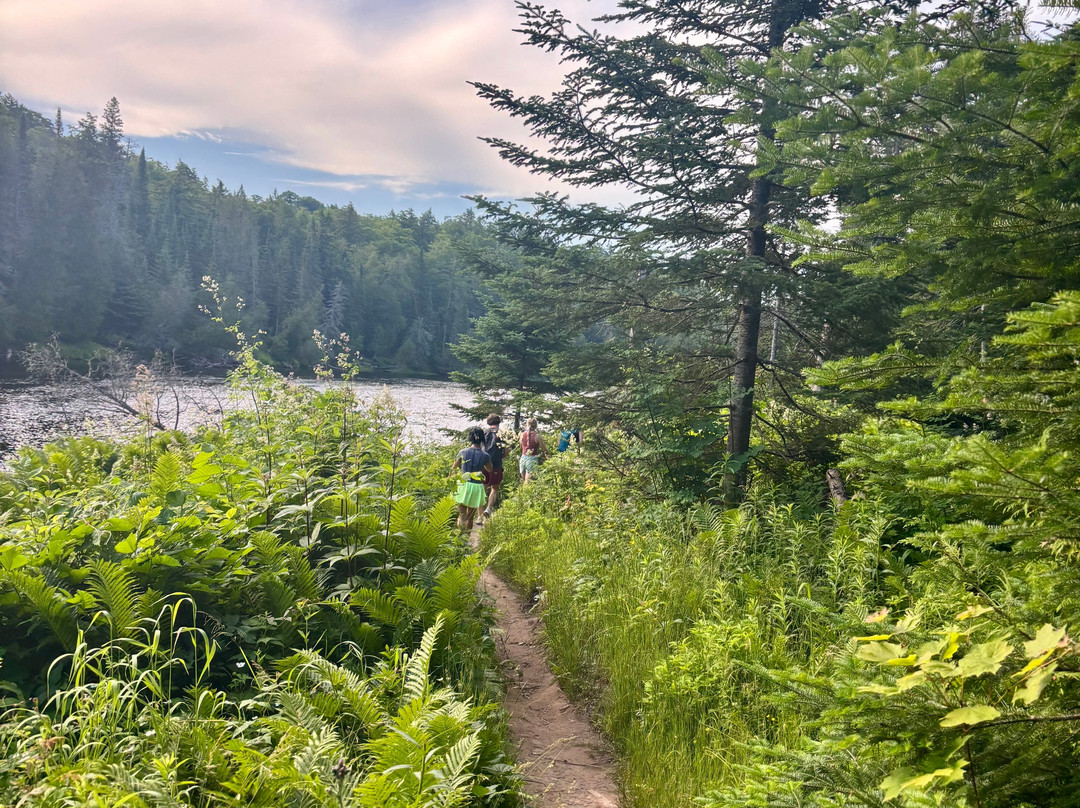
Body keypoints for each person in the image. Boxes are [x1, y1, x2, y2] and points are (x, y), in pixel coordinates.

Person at [451, 426, 492, 533]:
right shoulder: (485, 455)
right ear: (482, 439)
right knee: (470, 517)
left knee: (462, 514)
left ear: (470, 438)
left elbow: (453, 468)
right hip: (476, 486)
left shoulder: (462, 452)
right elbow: (490, 469)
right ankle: (466, 540)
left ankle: (459, 536)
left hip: (463, 485)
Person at [481, 414, 505, 521]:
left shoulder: (483, 433)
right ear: (498, 422)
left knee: (482, 488)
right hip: (496, 465)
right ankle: (488, 509)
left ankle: (479, 515)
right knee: (494, 488)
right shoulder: (502, 434)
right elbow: (507, 451)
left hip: (483, 464)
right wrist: (501, 457)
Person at [518, 417, 545, 484]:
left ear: (527, 424)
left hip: (523, 458)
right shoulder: (537, 436)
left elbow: (521, 447)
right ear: (536, 425)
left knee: (524, 481)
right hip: (532, 460)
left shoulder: (522, 434)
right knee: (528, 484)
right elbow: (544, 449)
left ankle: (521, 494)